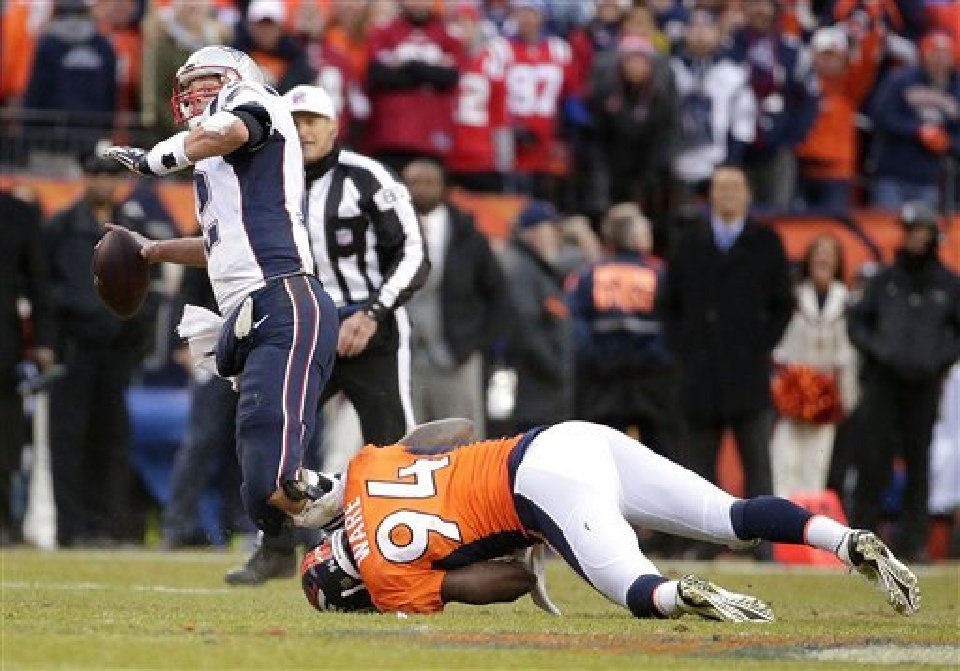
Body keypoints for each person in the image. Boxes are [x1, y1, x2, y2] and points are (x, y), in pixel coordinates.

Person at [298, 420, 921, 620]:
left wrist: (515, 559)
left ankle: (684, 593)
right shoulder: (363, 468)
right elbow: (457, 431)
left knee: (631, 586)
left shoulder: (385, 579)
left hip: (539, 490)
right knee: (729, 515)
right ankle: (843, 539)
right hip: (565, 436)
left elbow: (504, 585)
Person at [103, 46, 339, 559]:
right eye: (188, 85)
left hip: (284, 299)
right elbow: (220, 249)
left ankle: (392, 502)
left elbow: (230, 130)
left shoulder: (252, 100)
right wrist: (151, 251)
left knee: (277, 477)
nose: (194, 93)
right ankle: (366, 508)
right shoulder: (220, 168)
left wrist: (154, 159)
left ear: (234, 79)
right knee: (263, 489)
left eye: (206, 81)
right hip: (255, 308)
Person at [221, 83, 428, 585]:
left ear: (335, 126)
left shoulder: (367, 176)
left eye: (315, 119)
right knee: (272, 434)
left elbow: (415, 255)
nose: (305, 129)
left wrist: (373, 313)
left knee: (393, 445)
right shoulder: (269, 180)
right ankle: (275, 545)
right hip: (303, 327)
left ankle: (410, 544)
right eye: (296, 120)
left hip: (367, 329)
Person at [43, 151, 160, 546]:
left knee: (112, 439)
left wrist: (134, 331)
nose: (103, 181)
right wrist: (77, 314)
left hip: (116, 349)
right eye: (95, 173)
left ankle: (108, 526)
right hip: (74, 347)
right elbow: (46, 287)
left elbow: (152, 287)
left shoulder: (133, 228)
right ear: (84, 177)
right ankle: (71, 528)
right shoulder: (60, 227)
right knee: (69, 438)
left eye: (111, 174)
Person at [659, 166, 793, 504]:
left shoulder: (767, 242)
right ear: (711, 195)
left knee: (758, 463)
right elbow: (667, 304)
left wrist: (760, 344)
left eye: (735, 186)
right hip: (699, 371)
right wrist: (684, 348)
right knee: (698, 466)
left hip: (748, 370)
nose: (728, 194)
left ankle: (764, 542)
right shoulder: (688, 242)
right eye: (721, 187)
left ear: (749, 193)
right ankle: (702, 542)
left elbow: (783, 304)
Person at [847, 201, 960, 560]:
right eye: (909, 230)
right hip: (883, 383)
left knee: (919, 463)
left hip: (923, 385)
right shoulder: (884, 279)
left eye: (920, 231)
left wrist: (937, 359)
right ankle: (862, 540)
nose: (913, 238)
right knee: (873, 460)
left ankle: (914, 542)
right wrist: (878, 350)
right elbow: (857, 322)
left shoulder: (948, 284)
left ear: (932, 236)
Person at [402, 157, 510, 438]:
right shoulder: (390, 228)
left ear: (443, 187)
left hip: (456, 352)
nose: (421, 190)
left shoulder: (468, 234)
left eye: (429, 183)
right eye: (413, 183)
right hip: (405, 354)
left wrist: (477, 341)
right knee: (409, 440)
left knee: (463, 438)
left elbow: (497, 291)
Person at [567, 204, 679, 461]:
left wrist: (596, 358)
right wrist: (657, 358)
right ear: (637, 236)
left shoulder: (589, 275)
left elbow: (575, 323)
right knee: (661, 460)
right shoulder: (658, 273)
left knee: (601, 457)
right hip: (652, 381)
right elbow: (673, 324)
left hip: (602, 381)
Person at [769, 234, 858, 498]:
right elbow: (780, 349)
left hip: (827, 397)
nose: (823, 257)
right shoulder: (793, 297)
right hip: (792, 392)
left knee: (817, 465)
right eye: (818, 251)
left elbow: (848, 355)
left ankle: (807, 533)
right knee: (784, 459)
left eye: (830, 252)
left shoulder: (847, 302)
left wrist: (844, 398)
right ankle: (778, 529)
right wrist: (783, 387)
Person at [0, 190, 54, 545]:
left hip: (3, 347)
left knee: (5, 438)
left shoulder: (17, 214)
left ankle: (6, 521)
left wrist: (44, 341)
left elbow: (39, 282)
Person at [727, 0, 818, 209]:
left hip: (779, 148)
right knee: (739, 211)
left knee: (778, 212)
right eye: (754, 4)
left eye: (765, 4)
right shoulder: (731, 46)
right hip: (738, 149)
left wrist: (794, 137)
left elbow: (810, 97)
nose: (760, 10)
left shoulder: (791, 49)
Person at [499, 200, 574, 432]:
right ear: (533, 233)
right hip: (535, 393)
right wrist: (557, 368)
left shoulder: (539, 269)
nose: (555, 237)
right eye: (550, 230)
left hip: (545, 392)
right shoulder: (524, 271)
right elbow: (527, 327)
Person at [364, 0, 464, 171]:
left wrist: (409, 65)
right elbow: (379, 76)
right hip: (391, 134)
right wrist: (429, 73)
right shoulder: (384, 31)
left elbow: (450, 78)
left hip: (433, 134)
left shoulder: (448, 35)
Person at [868, 30, 960, 210]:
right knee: (887, 228)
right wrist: (917, 130)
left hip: (931, 176)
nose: (940, 61)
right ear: (924, 55)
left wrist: (947, 141)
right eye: (935, 54)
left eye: (945, 55)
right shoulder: (901, 80)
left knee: (924, 232)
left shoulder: (957, 88)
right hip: (892, 171)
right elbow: (880, 116)